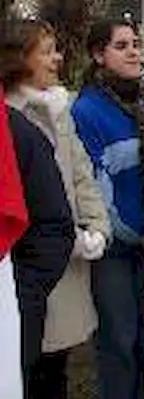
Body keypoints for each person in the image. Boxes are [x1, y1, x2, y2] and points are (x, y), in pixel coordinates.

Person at [2, 20, 111, 399]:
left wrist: (96, 226)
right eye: (46, 51)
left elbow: (82, 174)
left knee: (56, 367)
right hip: (28, 260)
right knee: (25, 366)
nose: (57, 58)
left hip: (66, 259)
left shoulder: (59, 109)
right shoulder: (10, 118)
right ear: (19, 59)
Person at [71, 19, 144, 399]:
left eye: (135, 44)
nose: (133, 51)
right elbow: (93, 187)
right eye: (121, 45)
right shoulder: (87, 112)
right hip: (114, 247)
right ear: (99, 56)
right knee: (119, 339)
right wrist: (133, 232)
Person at [1, 23, 75, 399]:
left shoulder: (17, 132)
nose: (56, 59)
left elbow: (53, 223)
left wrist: (20, 292)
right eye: (46, 50)